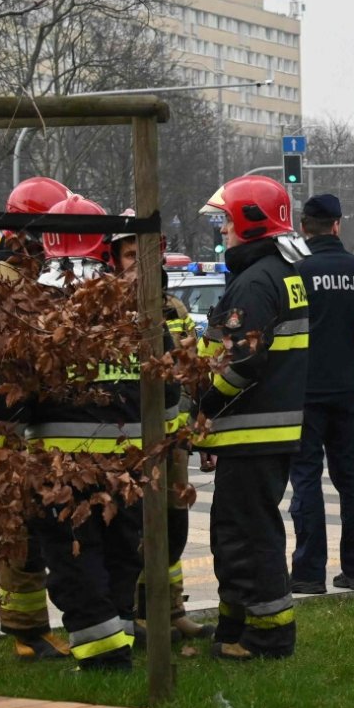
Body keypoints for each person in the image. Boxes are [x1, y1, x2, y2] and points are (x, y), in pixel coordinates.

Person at [0, 194, 170, 672]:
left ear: (46, 242)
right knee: (119, 551)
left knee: (75, 559)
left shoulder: (37, 304)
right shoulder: (137, 300)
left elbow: (11, 397)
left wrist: (2, 434)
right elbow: (168, 388)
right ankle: (120, 636)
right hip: (130, 461)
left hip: (59, 465)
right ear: (103, 244)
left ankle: (103, 656)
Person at [195, 176, 309, 660]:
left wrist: (203, 406)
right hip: (264, 429)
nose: (221, 229)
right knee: (236, 530)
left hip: (252, 428)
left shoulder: (255, 280)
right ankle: (235, 629)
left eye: (225, 219)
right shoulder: (276, 271)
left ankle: (268, 636)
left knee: (248, 535)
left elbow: (242, 361)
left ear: (248, 220)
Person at [107, 220, 211, 642]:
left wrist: (196, 428)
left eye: (146, 255)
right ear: (115, 262)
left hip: (175, 439)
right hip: (131, 441)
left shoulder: (175, 308)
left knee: (173, 527)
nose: (139, 265)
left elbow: (192, 372)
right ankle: (135, 614)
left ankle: (171, 609)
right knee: (133, 528)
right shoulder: (110, 308)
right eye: (131, 256)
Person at [0, 176, 71, 661]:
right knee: (21, 530)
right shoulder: (5, 280)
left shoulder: (47, 271)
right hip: (15, 418)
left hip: (43, 416)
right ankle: (26, 630)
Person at [287, 194, 354, 596]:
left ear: (305, 226)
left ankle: (308, 571)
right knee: (352, 480)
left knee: (306, 480)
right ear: (336, 225)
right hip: (346, 389)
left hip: (305, 389)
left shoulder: (298, 270)